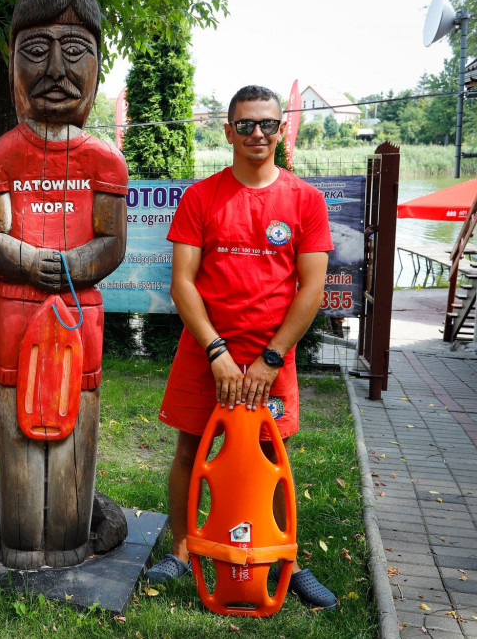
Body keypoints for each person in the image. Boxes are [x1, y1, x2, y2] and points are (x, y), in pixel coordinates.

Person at [147, 85, 337, 610]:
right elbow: (182, 283)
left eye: (268, 124)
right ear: (228, 130)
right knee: (189, 450)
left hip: (272, 357)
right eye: (247, 124)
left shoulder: (305, 200)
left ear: (281, 130)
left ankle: (286, 560)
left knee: (275, 456)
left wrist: (271, 359)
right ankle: (183, 551)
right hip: (205, 350)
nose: (258, 134)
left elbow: (312, 289)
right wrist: (216, 352)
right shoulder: (201, 197)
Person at [0, 0, 128, 567]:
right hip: (14, 305)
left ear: (98, 61)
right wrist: (26, 261)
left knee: (76, 424)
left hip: (80, 307)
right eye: (36, 51)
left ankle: (66, 534)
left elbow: (112, 242)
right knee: (14, 424)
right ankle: (17, 534)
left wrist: (68, 266)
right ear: (13, 64)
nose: (57, 69)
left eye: (75, 50)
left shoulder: (105, 159)